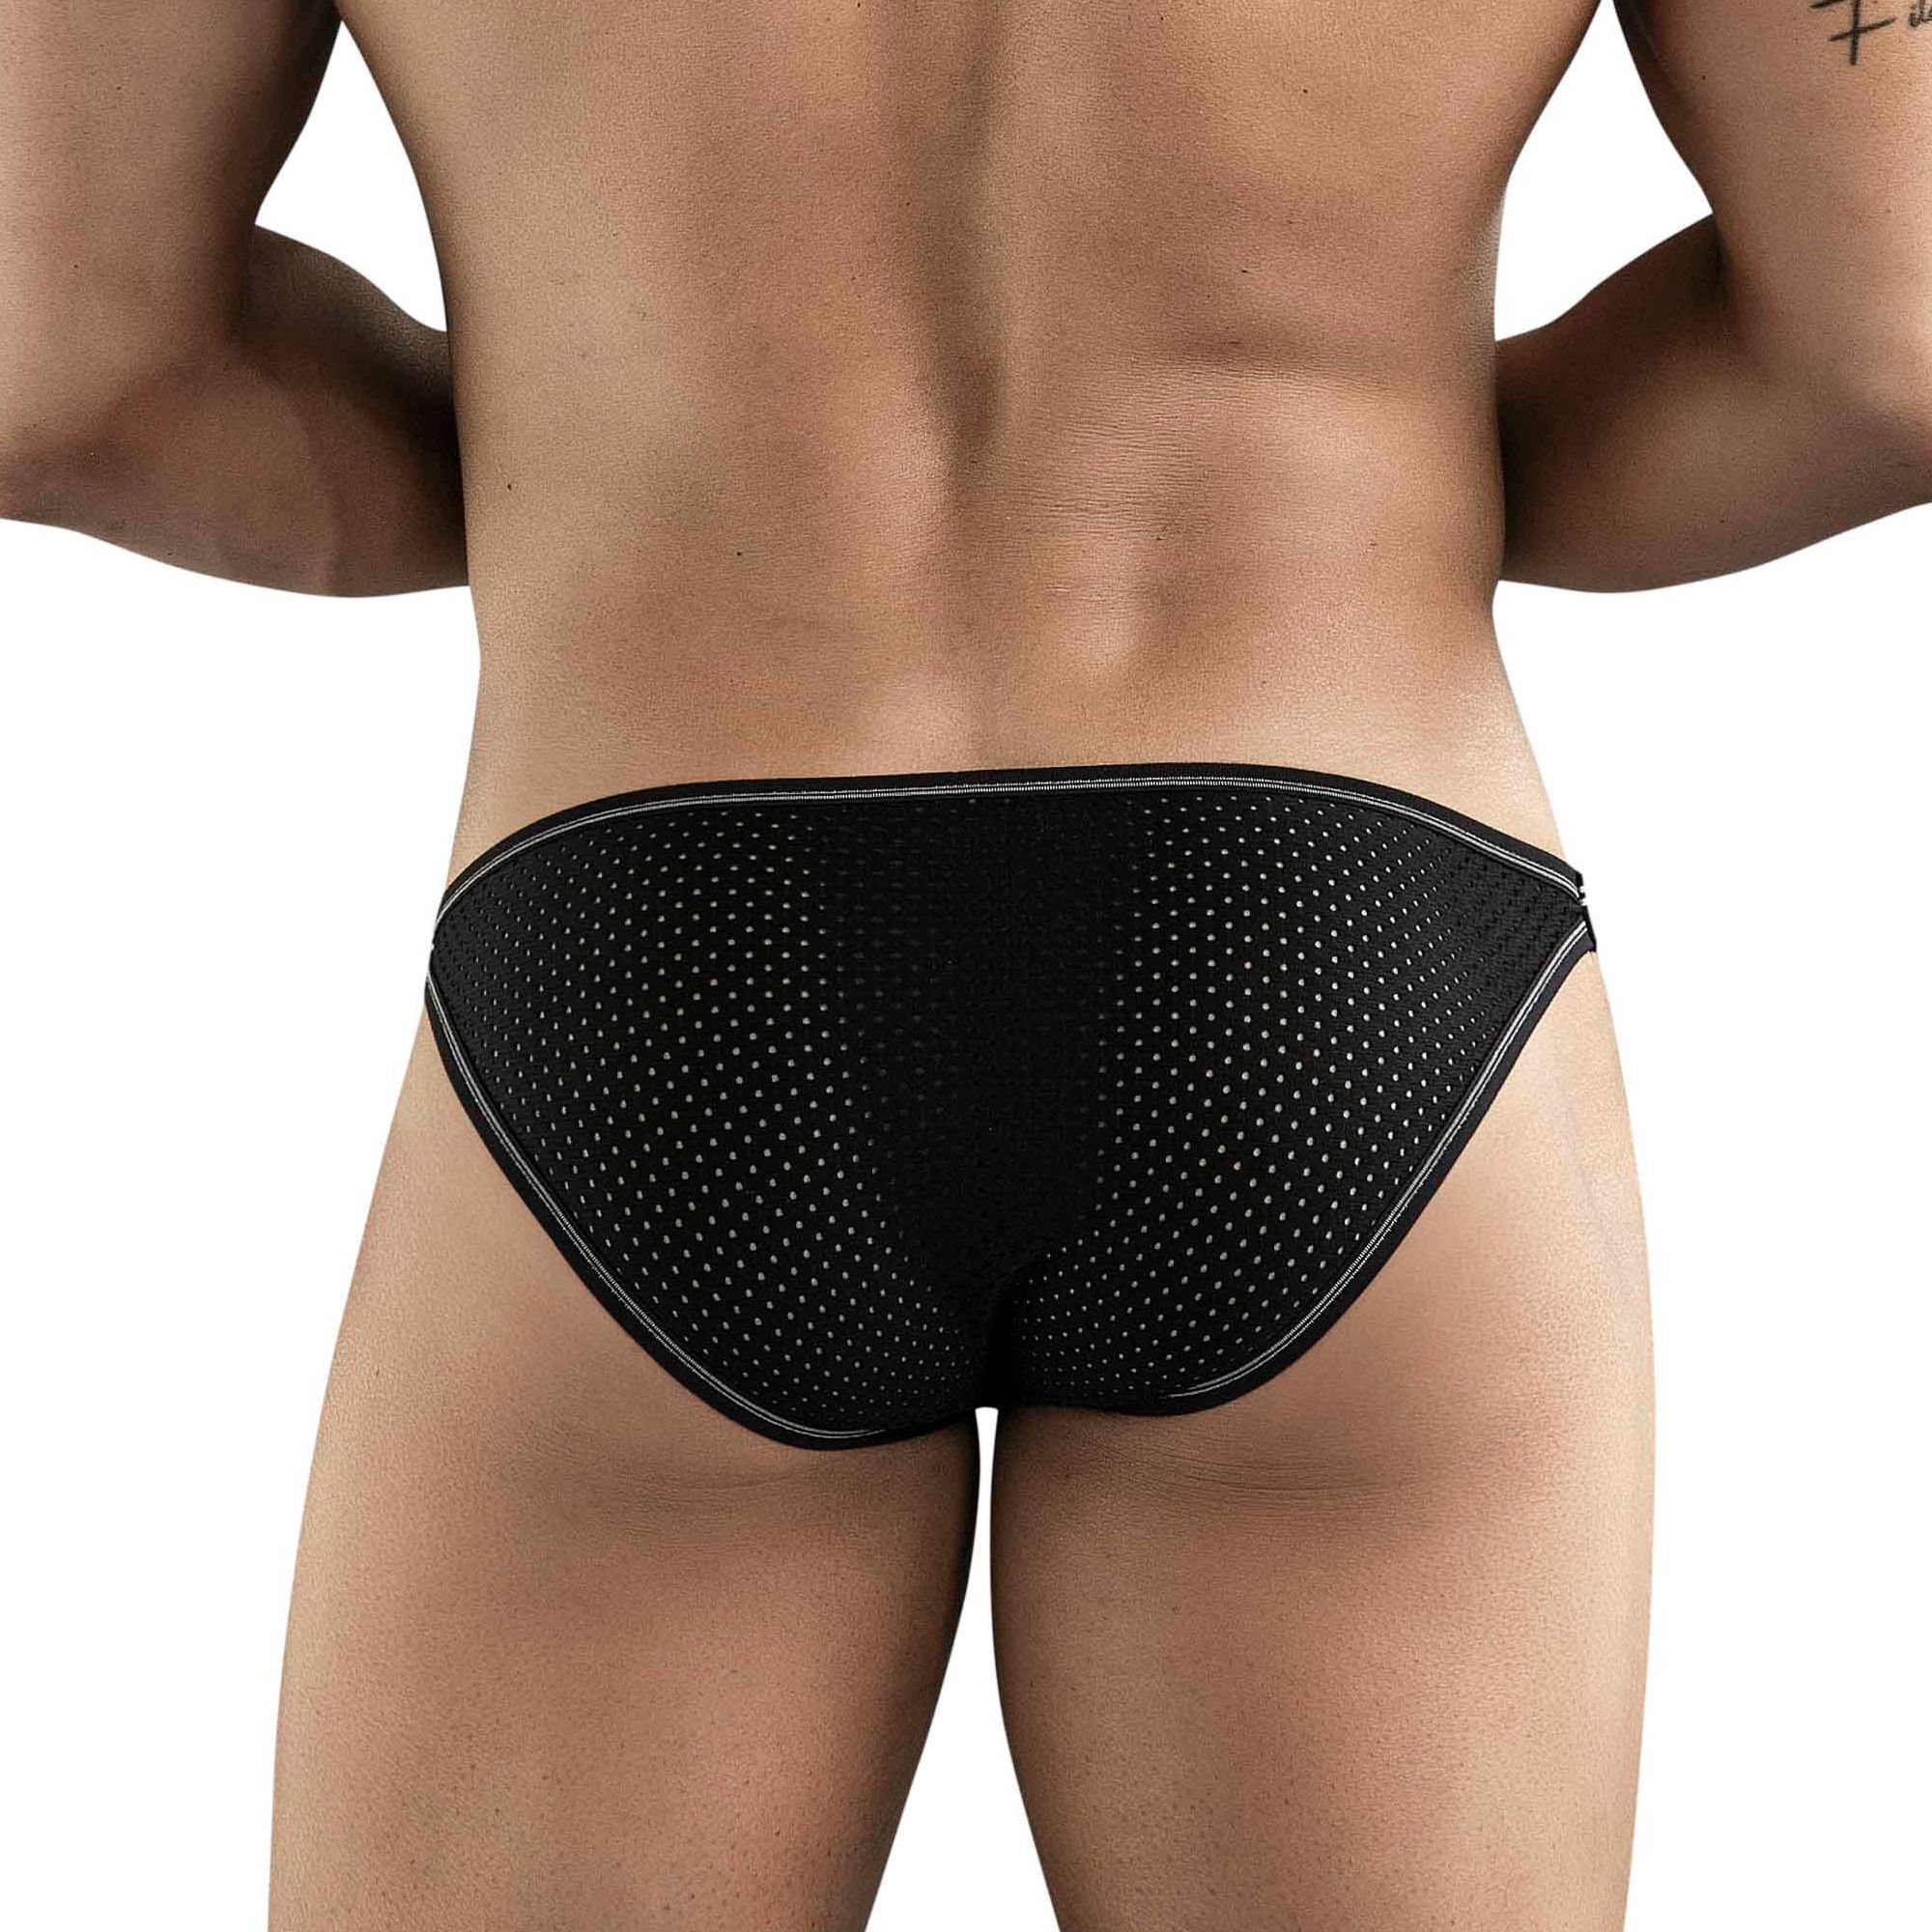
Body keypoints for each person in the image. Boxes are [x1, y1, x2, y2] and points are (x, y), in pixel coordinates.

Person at [3, 2, 1925, 1925]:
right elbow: (1891, 345)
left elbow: (59, 368)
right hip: (1325, 936)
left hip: (662, 944)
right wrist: (1377, 468)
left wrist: (590, 447)